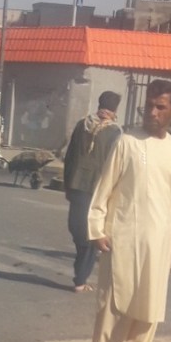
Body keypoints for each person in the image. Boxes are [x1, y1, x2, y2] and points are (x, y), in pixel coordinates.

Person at [87, 78, 171, 342]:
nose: (153, 113)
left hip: (158, 245)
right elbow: (103, 189)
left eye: (160, 107)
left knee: (147, 316)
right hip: (122, 241)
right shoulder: (126, 142)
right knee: (112, 316)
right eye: (149, 107)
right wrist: (97, 228)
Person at [63, 90, 121, 292]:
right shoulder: (115, 132)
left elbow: (69, 156)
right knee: (90, 234)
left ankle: (80, 275)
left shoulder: (82, 125)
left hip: (76, 185)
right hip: (97, 190)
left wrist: (67, 185)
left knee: (77, 229)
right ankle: (80, 279)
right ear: (115, 110)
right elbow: (115, 166)